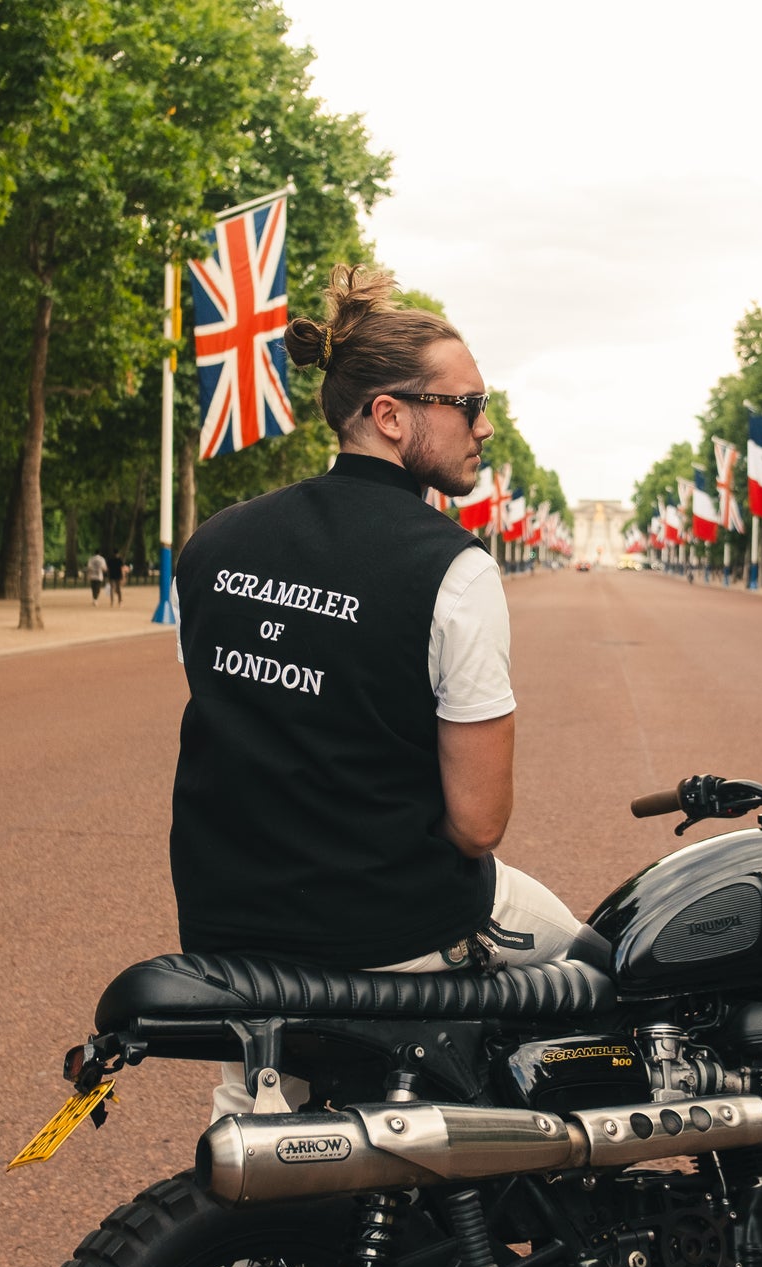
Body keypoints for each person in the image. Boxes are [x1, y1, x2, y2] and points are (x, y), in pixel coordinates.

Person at [168, 263, 602, 1121]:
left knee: (251, 1117)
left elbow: (253, 724)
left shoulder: (210, 545)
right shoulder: (452, 566)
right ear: (392, 415)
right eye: (468, 405)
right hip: (384, 920)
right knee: (608, 970)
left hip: (229, 920)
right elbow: (478, 825)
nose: (485, 427)